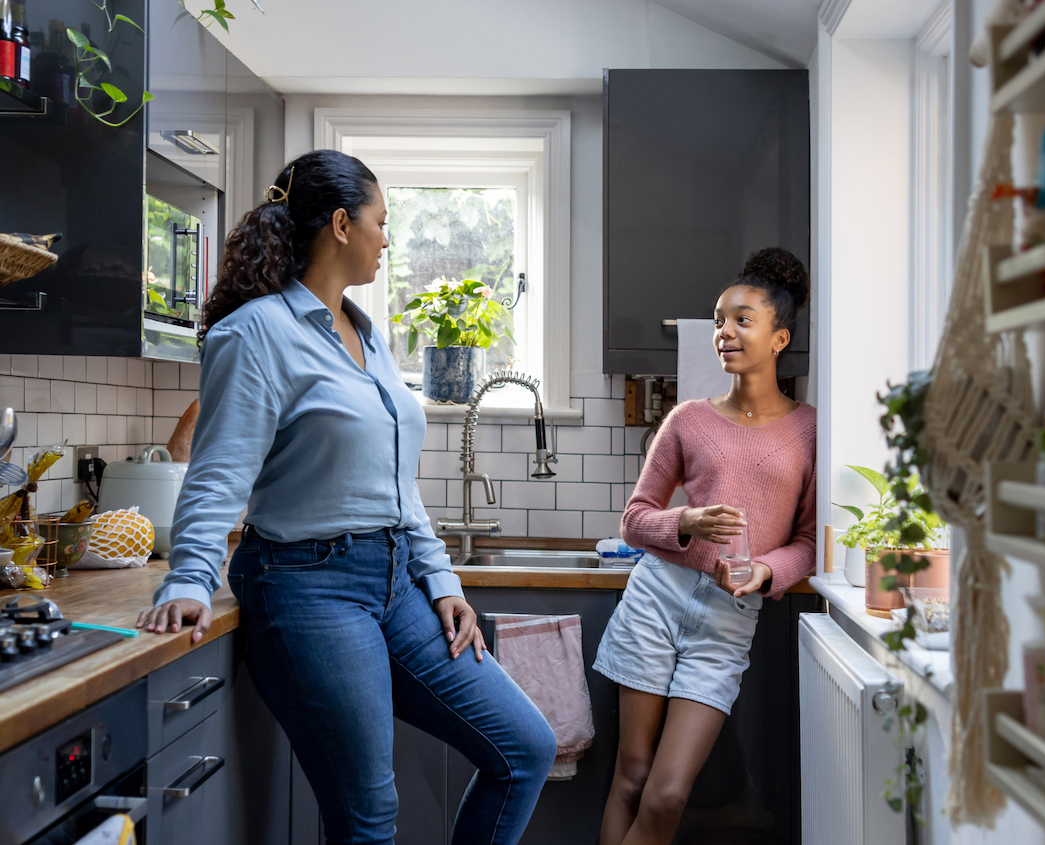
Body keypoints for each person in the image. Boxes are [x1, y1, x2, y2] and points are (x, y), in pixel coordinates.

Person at [135, 150, 557, 845]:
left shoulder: (368, 336)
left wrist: (441, 578)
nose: (387, 240)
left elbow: (399, 484)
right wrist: (189, 576)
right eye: (380, 222)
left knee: (525, 747)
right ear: (340, 223)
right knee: (369, 819)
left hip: (395, 585)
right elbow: (217, 473)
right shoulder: (256, 333)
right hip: (305, 587)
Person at [593, 248, 817, 844]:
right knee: (633, 778)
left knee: (667, 795)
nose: (724, 332)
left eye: (742, 320)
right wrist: (686, 520)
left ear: (779, 338)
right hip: (656, 600)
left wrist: (766, 573)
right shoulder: (687, 419)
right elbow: (634, 521)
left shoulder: (811, 429)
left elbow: (811, 541)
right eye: (719, 320)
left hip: (728, 620)